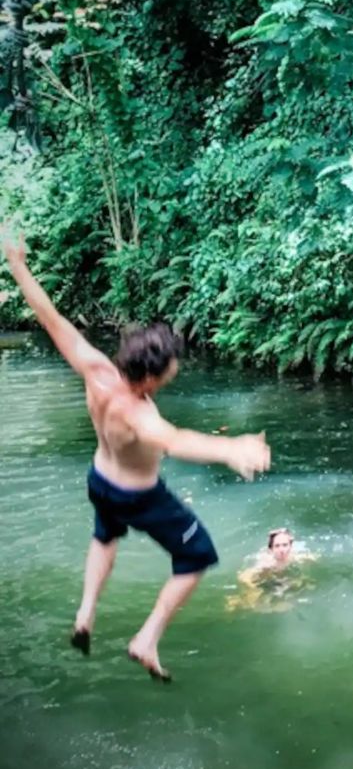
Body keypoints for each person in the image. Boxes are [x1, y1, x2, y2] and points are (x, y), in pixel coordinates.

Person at [2, 228, 272, 681]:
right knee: (197, 557)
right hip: (140, 496)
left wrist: (17, 264)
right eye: (169, 372)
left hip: (100, 481)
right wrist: (233, 447)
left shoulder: (96, 370)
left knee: (104, 537)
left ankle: (86, 611)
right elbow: (175, 440)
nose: (173, 374)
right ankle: (146, 638)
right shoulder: (139, 414)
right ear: (149, 378)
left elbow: (50, 318)